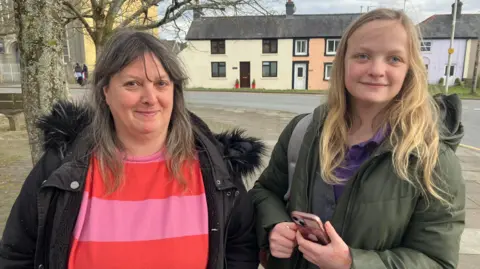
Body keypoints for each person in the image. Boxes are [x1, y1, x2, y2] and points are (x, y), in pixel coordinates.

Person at [0, 30, 264, 269]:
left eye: (161, 83)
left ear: (175, 92)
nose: (150, 98)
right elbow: (17, 254)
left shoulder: (214, 166)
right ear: (105, 92)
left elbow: (240, 245)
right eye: (132, 84)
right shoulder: (62, 166)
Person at [250, 8, 465, 269]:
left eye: (394, 59)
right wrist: (274, 225)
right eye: (362, 56)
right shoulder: (303, 131)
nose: (376, 69)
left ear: (411, 70)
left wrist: (352, 263)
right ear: (342, 62)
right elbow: (265, 192)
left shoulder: (433, 158)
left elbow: (437, 261)